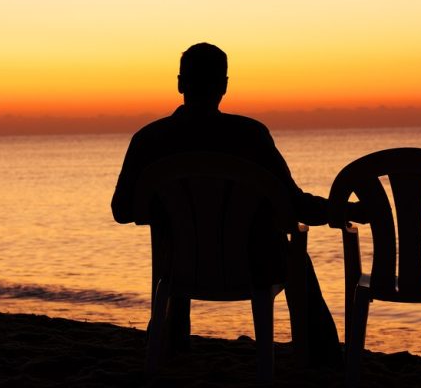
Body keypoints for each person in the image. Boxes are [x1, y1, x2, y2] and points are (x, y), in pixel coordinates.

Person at [111, 42, 347, 365]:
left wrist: (171, 211)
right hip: (253, 267)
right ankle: (322, 357)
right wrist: (341, 210)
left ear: (180, 83)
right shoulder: (251, 136)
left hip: (179, 267)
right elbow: (294, 206)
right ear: (224, 86)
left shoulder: (149, 139)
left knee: (176, 235)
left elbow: (122, 210)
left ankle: (171, 341)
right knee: (295, 252)